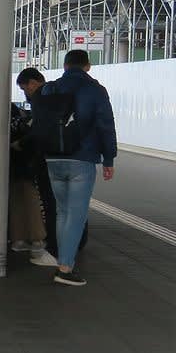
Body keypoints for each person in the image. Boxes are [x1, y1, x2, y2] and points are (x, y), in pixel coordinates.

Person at [37, 49, 117, 286]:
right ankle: (65, 267)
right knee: (76, 215)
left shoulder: (50, 88)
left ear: (64, 66)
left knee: (62, 212)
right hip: (82, 157)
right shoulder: (95, 90)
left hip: (53, 157)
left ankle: (63, 260)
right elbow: (105, 124)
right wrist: (109, 158)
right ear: (88, 66)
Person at [13, 67, 58, 266]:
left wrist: (21, 143)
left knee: (48, 202)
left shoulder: (41, 98)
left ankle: (51, 248)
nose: (26, 94)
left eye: (25, 89)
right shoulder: (57, 95)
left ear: (33, 83)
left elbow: (38, 131)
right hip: (64, 155)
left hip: (44, 157)